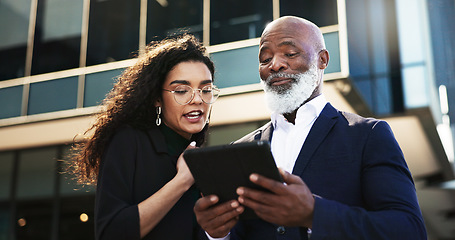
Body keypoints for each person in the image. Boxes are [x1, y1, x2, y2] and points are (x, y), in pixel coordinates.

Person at [193, 16, 427, 240]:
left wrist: (314, 214)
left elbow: (408, 230)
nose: (275, 64)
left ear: (322, 60)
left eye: (290, 53)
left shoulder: (368, 135)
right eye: (265, 59)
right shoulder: (240, 149)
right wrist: (219, 233)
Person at [71, 34, 219, 239]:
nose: (197, 99)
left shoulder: (198, 158)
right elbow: (110, 233)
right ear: (157, 98)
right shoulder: (128, 141)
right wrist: (181, 182)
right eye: (182, 90)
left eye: (206, 89)